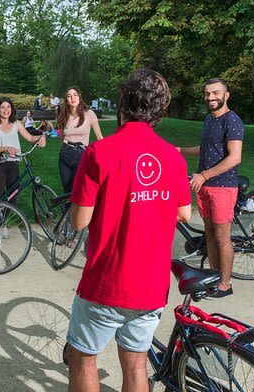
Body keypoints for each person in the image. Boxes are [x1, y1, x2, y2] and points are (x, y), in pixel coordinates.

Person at [64, 69, 192, 392]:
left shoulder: (99, 153)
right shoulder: (173, 158)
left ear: (123, 101)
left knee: (82, 357)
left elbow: (79, 221)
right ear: (160, 110)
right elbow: (184, 213)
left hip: (106, 283)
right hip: (151, 285)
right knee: (136, 363)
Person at [177, 78, 244, 298]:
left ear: (226, 95)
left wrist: (204, 175)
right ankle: (214, 278)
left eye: (216, 93)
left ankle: (225, 284)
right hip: (204, 186)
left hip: (222, 187)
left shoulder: (232, 121)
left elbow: (234, 157)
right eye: (207, 94)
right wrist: (179, 150)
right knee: (210, 234)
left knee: (222, 237)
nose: (210, 97)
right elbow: (206, 148)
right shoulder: (209, 119)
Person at [0, 98, 46, 206]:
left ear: (12, 109)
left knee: (14, 195)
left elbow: (30, 138)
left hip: (12, 163)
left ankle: (1, 219)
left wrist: (41, 137)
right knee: (0, 195)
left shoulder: (16, 124)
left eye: (8, 107)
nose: (6, 110)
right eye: (3, 107)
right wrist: (6, 148)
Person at [57, 86, 104, 194]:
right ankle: (67, 211)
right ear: (67, 100)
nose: (72, 98)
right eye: (69, 96)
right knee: (66, 190)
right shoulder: (63, 115)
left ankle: (74, 211)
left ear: (79, 97)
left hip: (82, 155)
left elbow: (99, 137)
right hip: (65, 154)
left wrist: (104, 155)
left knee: (76, 190)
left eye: (75, 95)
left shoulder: (89, 114)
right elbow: (62, 136)